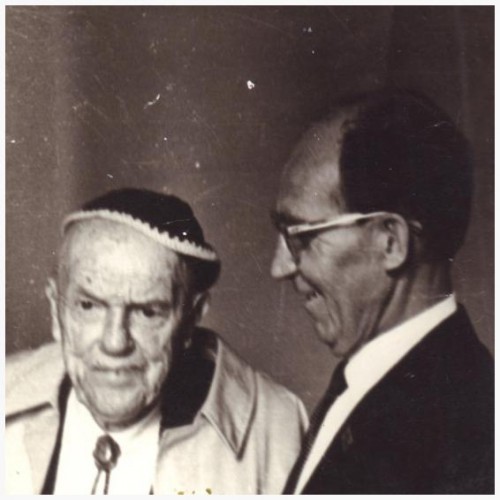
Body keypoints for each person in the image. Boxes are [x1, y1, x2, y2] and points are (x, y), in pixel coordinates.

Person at [6, 188, 307, 495]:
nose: (115, 342)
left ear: (191, 318)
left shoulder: (275, 430)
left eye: (147, 312)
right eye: (89, 306)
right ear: (56, 310)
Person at [270, 88, 493, 494]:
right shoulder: (378, 384)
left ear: (391, 241)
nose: (278, 268)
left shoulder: (459, 428)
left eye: (300, 237)